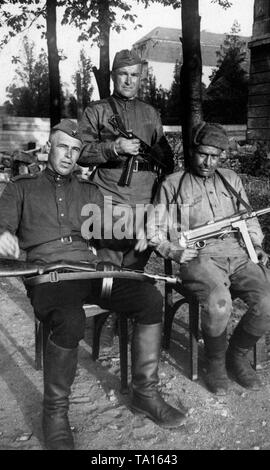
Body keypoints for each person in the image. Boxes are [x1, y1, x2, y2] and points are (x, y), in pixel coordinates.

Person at [0, 119, 186, 451]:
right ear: (48, 148)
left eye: (75, 150)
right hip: (49, 276)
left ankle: (145, 394)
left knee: (147, 299)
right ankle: (55, 413)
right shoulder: (21, 187)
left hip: (88, 272)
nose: (69, 155)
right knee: (69, 319)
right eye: (62, 147)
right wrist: (4, 236)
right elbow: (3, 224)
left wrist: (139, 234)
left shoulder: (88, 191)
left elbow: (109, 229)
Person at [147, 121, 270, 396]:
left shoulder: (231, 179)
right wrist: (173, 251)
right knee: (219, 302)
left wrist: (257, 246)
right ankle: (214, 361)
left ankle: (236, 355)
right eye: (203, 154)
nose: (207, 162)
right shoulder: (172, 184)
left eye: (215, 156)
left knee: (268, 299)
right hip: (198, 257)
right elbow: (153, 231)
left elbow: (247, 219)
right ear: (192, 151)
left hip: (237, 254)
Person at [78, 48, 174, 269]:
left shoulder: (150, 113)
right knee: (108, 264)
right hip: (109, 198)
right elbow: (81, 153)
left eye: (134, 75)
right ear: (113, 76)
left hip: (145, 199)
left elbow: (165, 158)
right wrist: (113, 148)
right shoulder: (97, 111)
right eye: (123, 74)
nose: (129, 81)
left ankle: (130, 297)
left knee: (136, 266)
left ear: (141, 77)